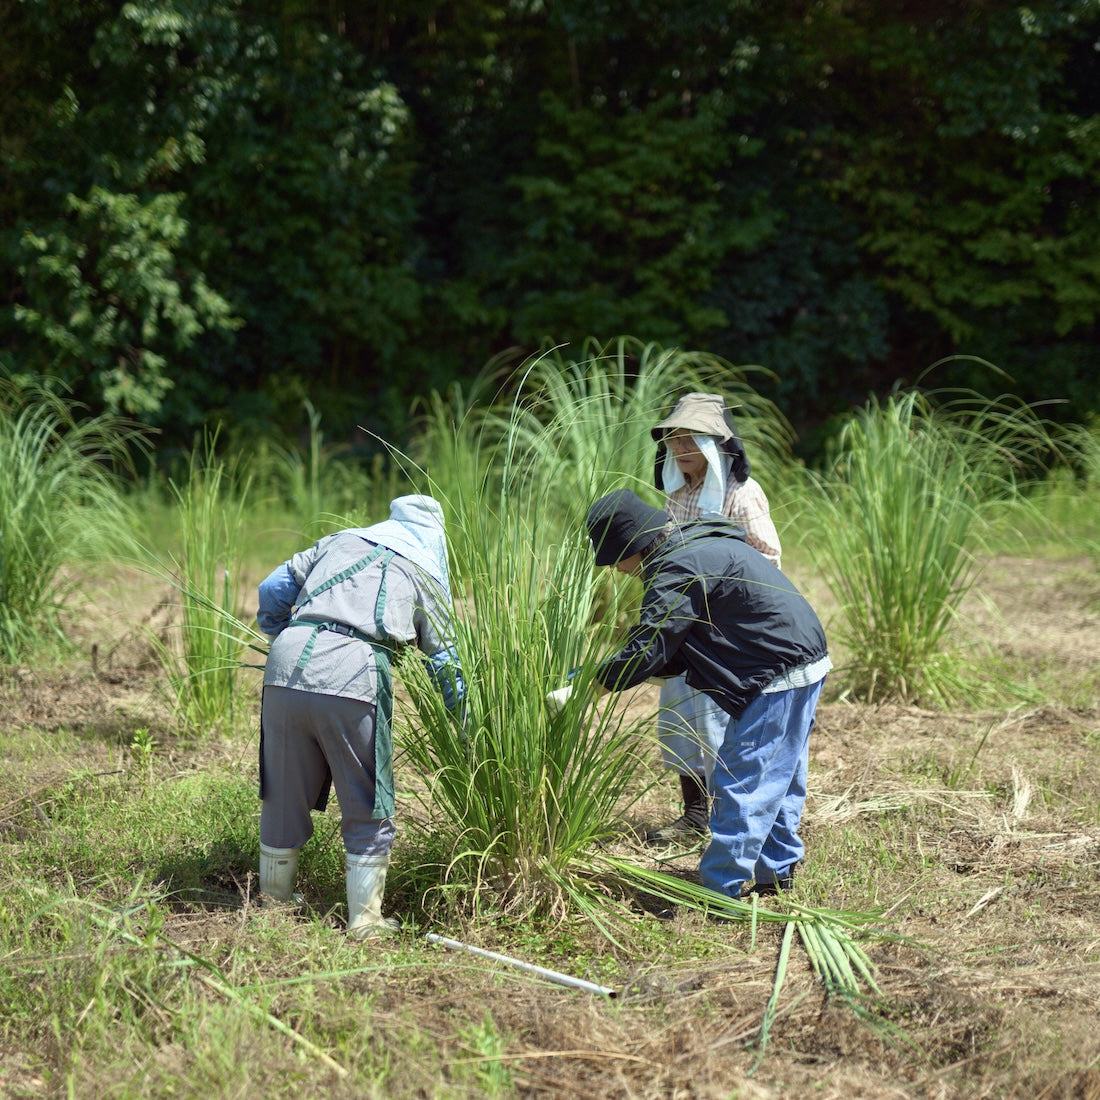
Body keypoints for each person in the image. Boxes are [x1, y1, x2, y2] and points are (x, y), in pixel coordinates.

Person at [582, 488, 830, 899]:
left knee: (742, 781)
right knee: (781, 777)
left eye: (615, 559)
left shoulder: (674, 566)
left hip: (776, 671)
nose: (618, 570)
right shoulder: (696, 540)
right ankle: (777, 876)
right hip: (805, 658)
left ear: (633, 545)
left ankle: (721, 892)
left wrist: (598, 683)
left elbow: (653, 642)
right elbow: (680, 643)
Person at [255, 495, 465, 939]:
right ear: (437, 539)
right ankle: (365, 921)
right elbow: (447, 665)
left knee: (283, 787)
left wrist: (282, 632)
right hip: (355, 671)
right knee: (367, 796)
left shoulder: (340, 541)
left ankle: (272, 904)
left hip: (285, 662)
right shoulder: (425, 569)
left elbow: (272, 588)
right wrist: (469, 724)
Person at [646, 392, 782, 846]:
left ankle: (729, 816)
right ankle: (694, 812)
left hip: (727, 627)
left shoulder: (742, 494)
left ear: (715, 445)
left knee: (715, 720)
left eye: (690, 441)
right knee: (678, 714)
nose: (681, 450)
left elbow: (769, 558)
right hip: (685, 623)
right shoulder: (677, 496)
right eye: (674, 441)